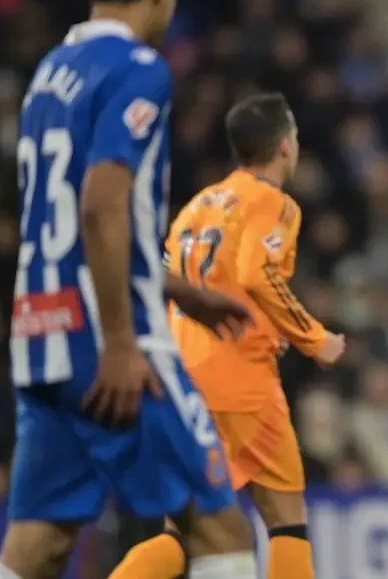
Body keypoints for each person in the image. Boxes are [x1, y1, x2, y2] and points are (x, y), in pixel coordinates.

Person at [0, 0, 257, 579]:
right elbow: (102, 205)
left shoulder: (51, 72)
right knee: (220, 529)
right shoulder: (139, 68)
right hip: (108, 342)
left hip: (43, 334)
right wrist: (119, 340)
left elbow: (69, 222)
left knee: (37, 547)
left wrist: (178, 288)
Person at [114, 93, 347, 579]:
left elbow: (169, 280)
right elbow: (256, 272)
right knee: (286, 520)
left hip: (184, 379)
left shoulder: (198, 205)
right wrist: (315, 338)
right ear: (285, 146)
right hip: (242, 383)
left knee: (182, 533)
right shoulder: (276, 204)